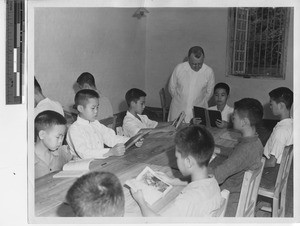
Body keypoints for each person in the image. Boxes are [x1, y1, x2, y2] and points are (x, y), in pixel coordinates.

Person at [130, 125, 223, 217]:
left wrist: (141, 201)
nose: (175, 160)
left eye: (177, 157)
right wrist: (171, 181)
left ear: (188, 162)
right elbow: (197, 183)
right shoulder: (213, 182)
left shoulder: (187, 200)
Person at [208, 98, 264, 217]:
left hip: (229, 201)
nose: (232, 118)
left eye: (234, 116)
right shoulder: (256, 141)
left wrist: (196, 167)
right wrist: (218, 149)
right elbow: (237, 154)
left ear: (244, 122)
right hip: (239, 194)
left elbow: (216, 177)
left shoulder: (244, 150)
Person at [66, 89, 130, 159]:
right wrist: (110, 152)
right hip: (83, 166)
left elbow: (111, 138)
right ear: (80, 108)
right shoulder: (74, 129)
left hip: (100, 163)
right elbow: (84, 153)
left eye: (97, 107)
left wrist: (131, 140)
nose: (96, 111)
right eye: (93, 108)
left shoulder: (95, 123)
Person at [168, 46, 215, 123]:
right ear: (188, 59)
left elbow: (209, 93)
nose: (197, 66)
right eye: (194, 64)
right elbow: (171, 88)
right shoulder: (179, 68)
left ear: (203, 59)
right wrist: (182, 99)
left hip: (197, 111)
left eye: (200, 64)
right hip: (178, 109)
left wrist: (198, 100)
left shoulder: (208, 72)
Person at [34, 110, 72, 179]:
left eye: (62, 136)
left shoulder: (61, 153)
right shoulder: (26, 160)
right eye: (58, 137)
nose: (60, 141)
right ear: (42, 135)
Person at [263, 87, 293, 168]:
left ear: (281, 106)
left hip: (273, 171)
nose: (270, 107)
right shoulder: (292, 124)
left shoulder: (281, 131)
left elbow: (271, 163)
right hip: (284, 167)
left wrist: (253, 166)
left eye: (271, 104)